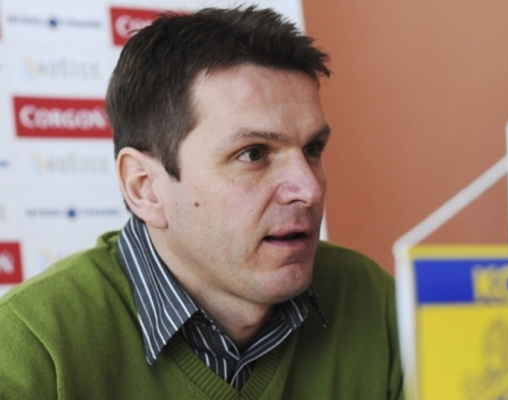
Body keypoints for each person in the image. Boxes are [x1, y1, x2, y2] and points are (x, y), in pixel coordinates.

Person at [0, 6, 402, 399]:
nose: (308, 189)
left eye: (312, 149)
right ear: (144, 187)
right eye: (253, 154)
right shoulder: (32, 346)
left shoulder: (373, 299)